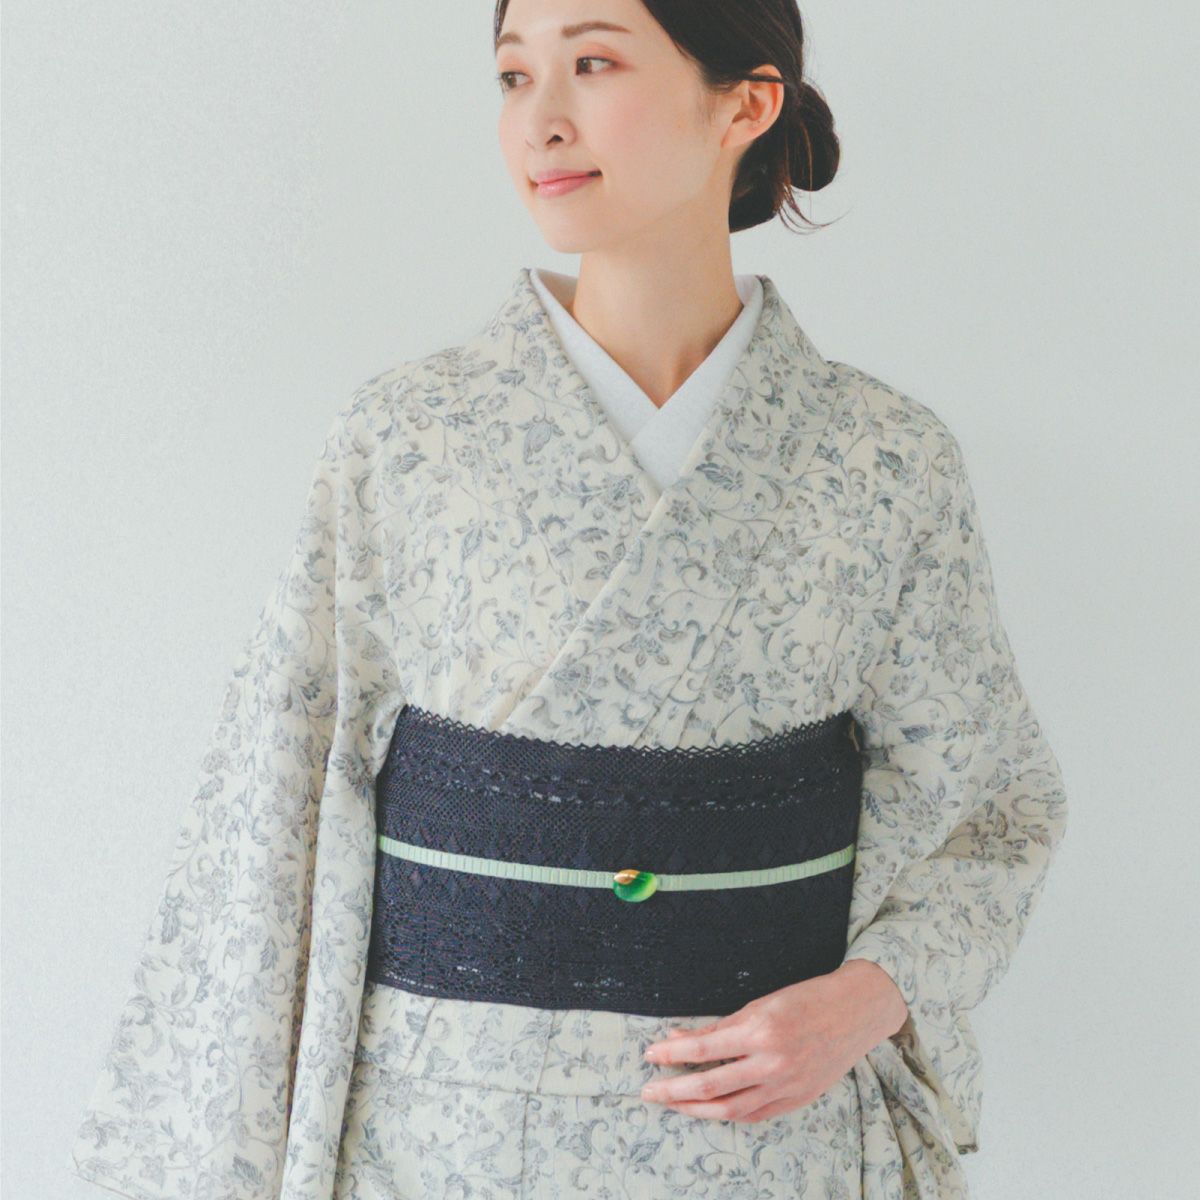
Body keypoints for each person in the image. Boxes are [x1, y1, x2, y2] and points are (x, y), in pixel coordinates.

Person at [67, 1, 1069, 1197]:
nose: (539, 120)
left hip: (762, 1134)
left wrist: (867, 999)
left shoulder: (883, 459)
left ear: (746, 104)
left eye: (592, 63)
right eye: (512, 75)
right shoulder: (407, 436)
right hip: (444, 1130)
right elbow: (273, 805)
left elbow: (991, 807)